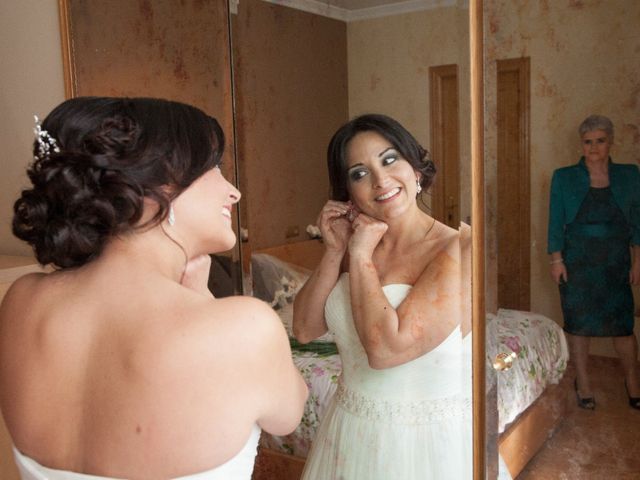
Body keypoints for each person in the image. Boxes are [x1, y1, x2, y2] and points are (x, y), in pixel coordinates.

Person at [0, 97, 308, 480]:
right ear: (157, 188)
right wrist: (204, 300)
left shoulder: (22, 301)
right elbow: (290, 414)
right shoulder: (244, 327)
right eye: (213, 167)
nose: (234, 192)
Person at [293, 114, 472, 479]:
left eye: (390, 159)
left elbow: (387, 350)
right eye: (359, 173)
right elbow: (305, 329)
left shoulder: (460, 246)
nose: (380, 180)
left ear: (417, 170)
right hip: (349, 433)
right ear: (349, 194)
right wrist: (334, 250)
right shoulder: (351, 245)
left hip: (426, 447)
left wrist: (359, 255)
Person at [548, 114, 640, 410]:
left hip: (615, 262)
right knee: (579, 325)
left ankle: (633, 381)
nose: (593, 148)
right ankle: (584, 382)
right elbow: (555, 222)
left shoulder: (630, 174)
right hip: (577, 263)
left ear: (610, 142)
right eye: (588, 142)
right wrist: (556, 260)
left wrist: (637, 262)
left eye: (600, 141)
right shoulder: (564, 177)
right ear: (581, 144)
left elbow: (638, 224)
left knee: (623, 327)